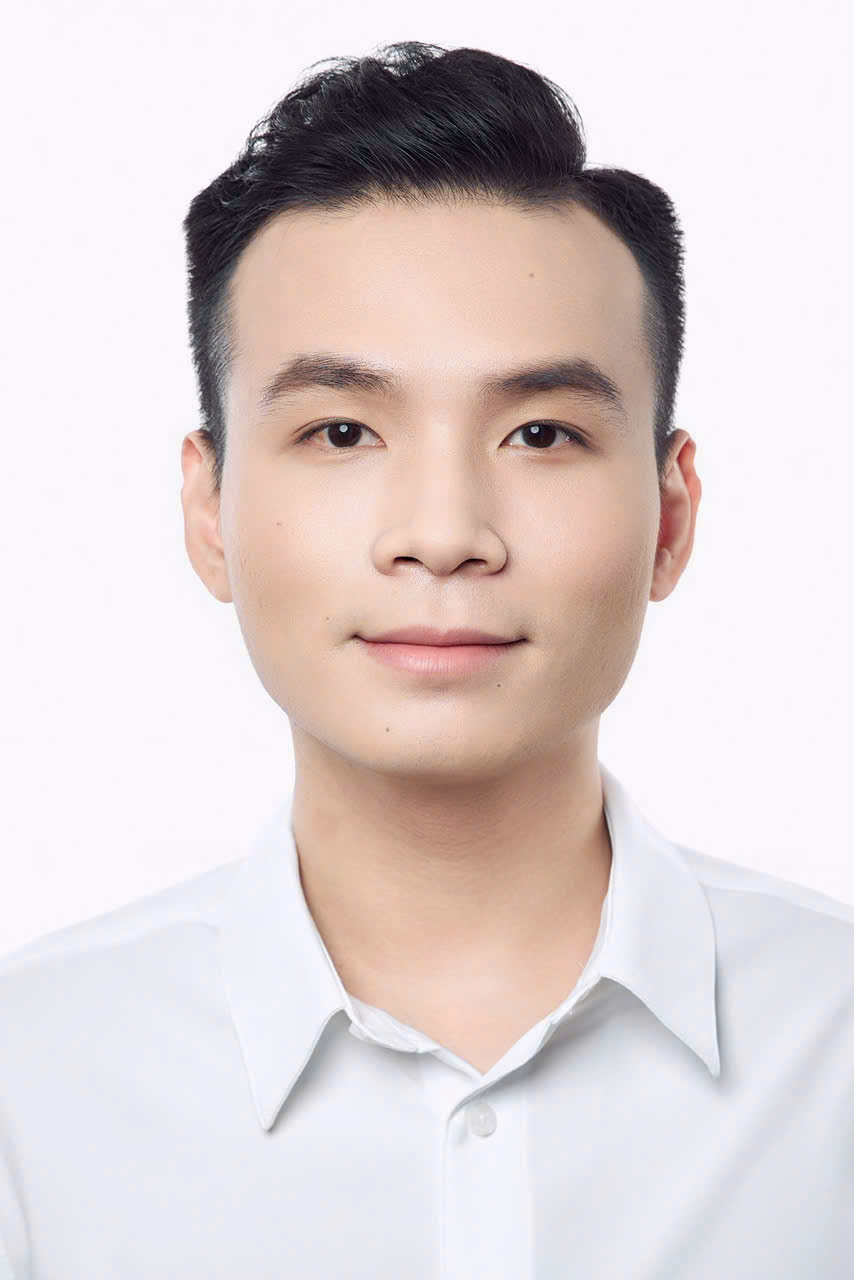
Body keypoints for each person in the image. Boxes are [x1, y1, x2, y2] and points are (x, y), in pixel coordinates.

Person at [1, 40, 851, 1279]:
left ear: (669, 516)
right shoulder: (31, 1077)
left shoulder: (832, 1042)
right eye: (342, 430)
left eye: (540, 432)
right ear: (209, 511)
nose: (443, 532)